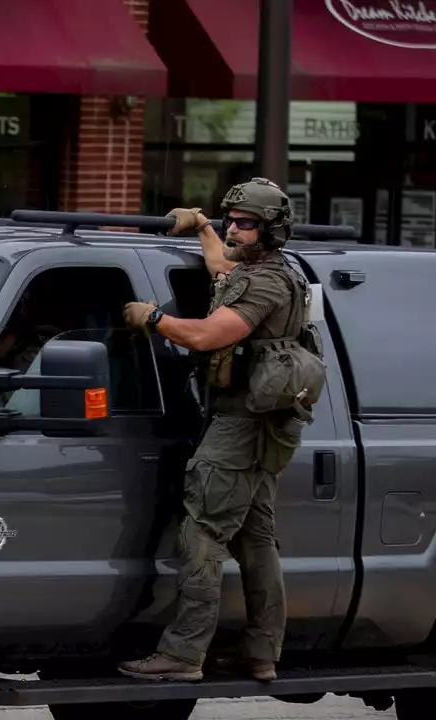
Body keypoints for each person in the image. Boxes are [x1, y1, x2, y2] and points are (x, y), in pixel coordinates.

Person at [117, 177, 320, 683]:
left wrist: (155, 318)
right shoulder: (269, 273)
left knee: (202, 532)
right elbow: (221, 268)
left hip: (243, 427)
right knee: (256, 538)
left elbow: (209, 335)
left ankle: (183, 654)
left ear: (272, 231)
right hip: (261, 427)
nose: (235, 229)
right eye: (231, 219)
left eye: (246, 223)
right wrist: (204, 226)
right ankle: (262, 653)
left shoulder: (268, 282)